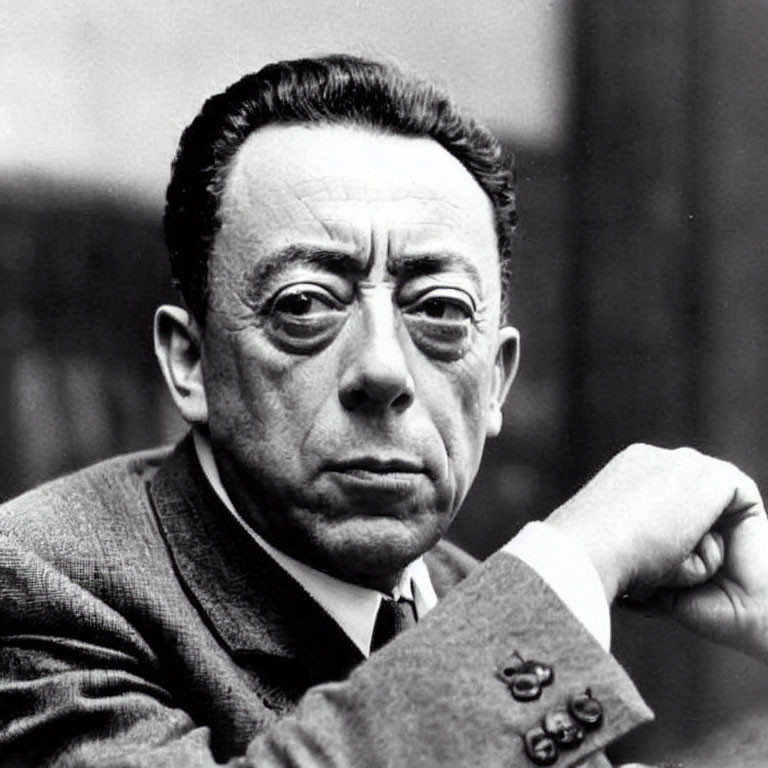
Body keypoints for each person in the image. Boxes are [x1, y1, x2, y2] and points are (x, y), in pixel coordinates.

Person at [1, 54, 767, 768]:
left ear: (496, 381)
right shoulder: (40, 584)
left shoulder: (464, 599)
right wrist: (580, 558)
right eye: (304, 304)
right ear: (190, 362)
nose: (381, 367)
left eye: (438, 309)